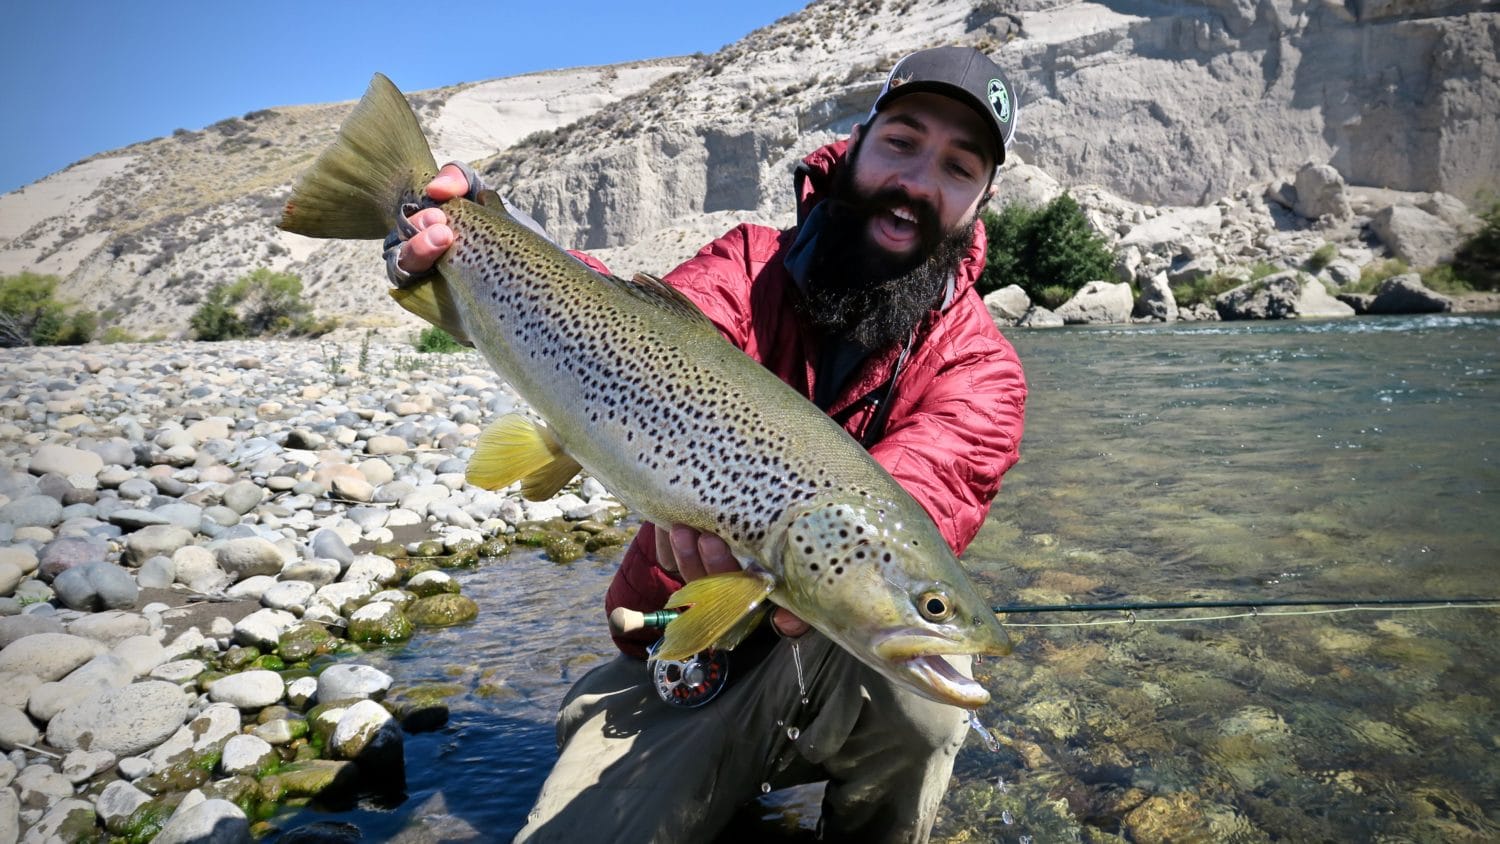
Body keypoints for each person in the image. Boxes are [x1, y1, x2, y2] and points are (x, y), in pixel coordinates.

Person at [389, 46, 1028, 843]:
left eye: (958, 167)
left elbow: (919, 493)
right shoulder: (747, 265)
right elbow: (623, 330)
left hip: (837, 660)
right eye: (901, 142)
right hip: (680, 656)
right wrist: (482, 234)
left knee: (929, 699)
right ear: (858, 143)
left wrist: (909, 602)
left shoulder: (982, 368)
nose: (917, 182)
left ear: (982, 200)